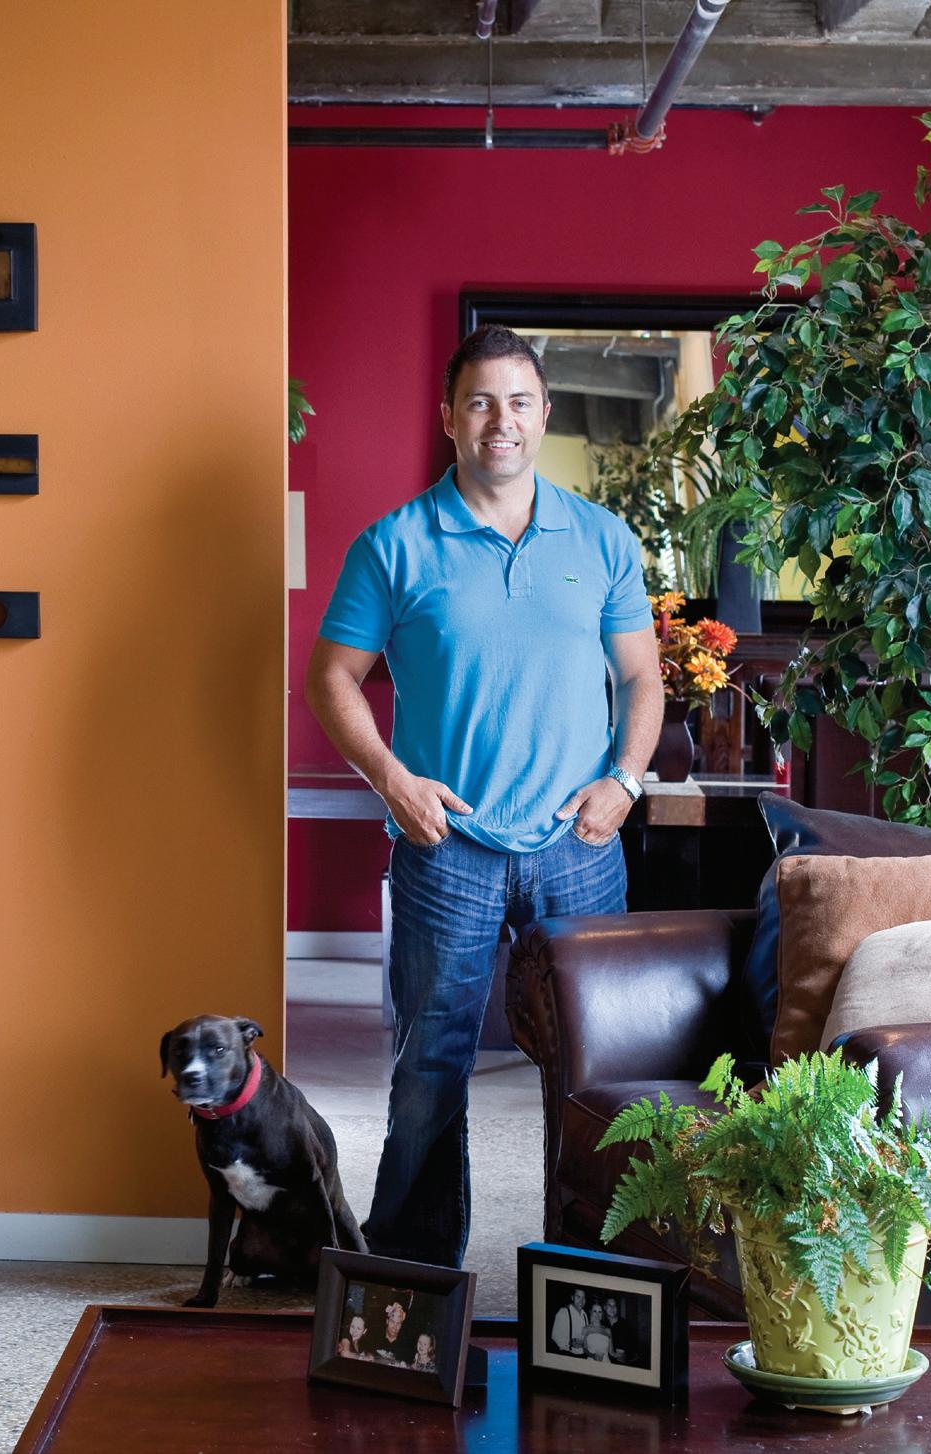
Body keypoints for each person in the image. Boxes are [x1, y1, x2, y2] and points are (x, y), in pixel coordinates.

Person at [308, 325, 663, 1268]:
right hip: (446, 847)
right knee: (429, 1067)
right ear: (448, 418)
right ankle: (411, 1288)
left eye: (518, 402)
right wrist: (391, 780)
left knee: (600, 1067)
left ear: (544, 414)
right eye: (479, 402)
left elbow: (642, 677)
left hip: (580, 845)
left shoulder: (602, 538)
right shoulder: (393, 545)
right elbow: (331, 678)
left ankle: (599, 1274)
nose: (499, 421)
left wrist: (625, 781)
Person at [549, 1286, 591, 1356]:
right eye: (578, 1297)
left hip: (583, 1354)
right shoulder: (564, 1312)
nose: (581, 1301)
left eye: (583, 1298)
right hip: (568, 1353)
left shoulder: (585, 1314)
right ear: (572, 1297)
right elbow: (555, 1335)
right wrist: (569, 1342)